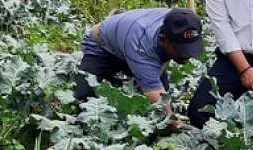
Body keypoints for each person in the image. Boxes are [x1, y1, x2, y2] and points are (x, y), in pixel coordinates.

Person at [74, 7, 204, 109]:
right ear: (163, 40)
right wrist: (173, 123)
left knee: (160, 93)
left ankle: (125, 81)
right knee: (83, 97)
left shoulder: (182, 20)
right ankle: (114, 81)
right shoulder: (142, 46)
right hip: (102, 47)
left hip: (131, 41)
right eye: (181, 49)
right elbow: (161, 108)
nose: (187, 56)